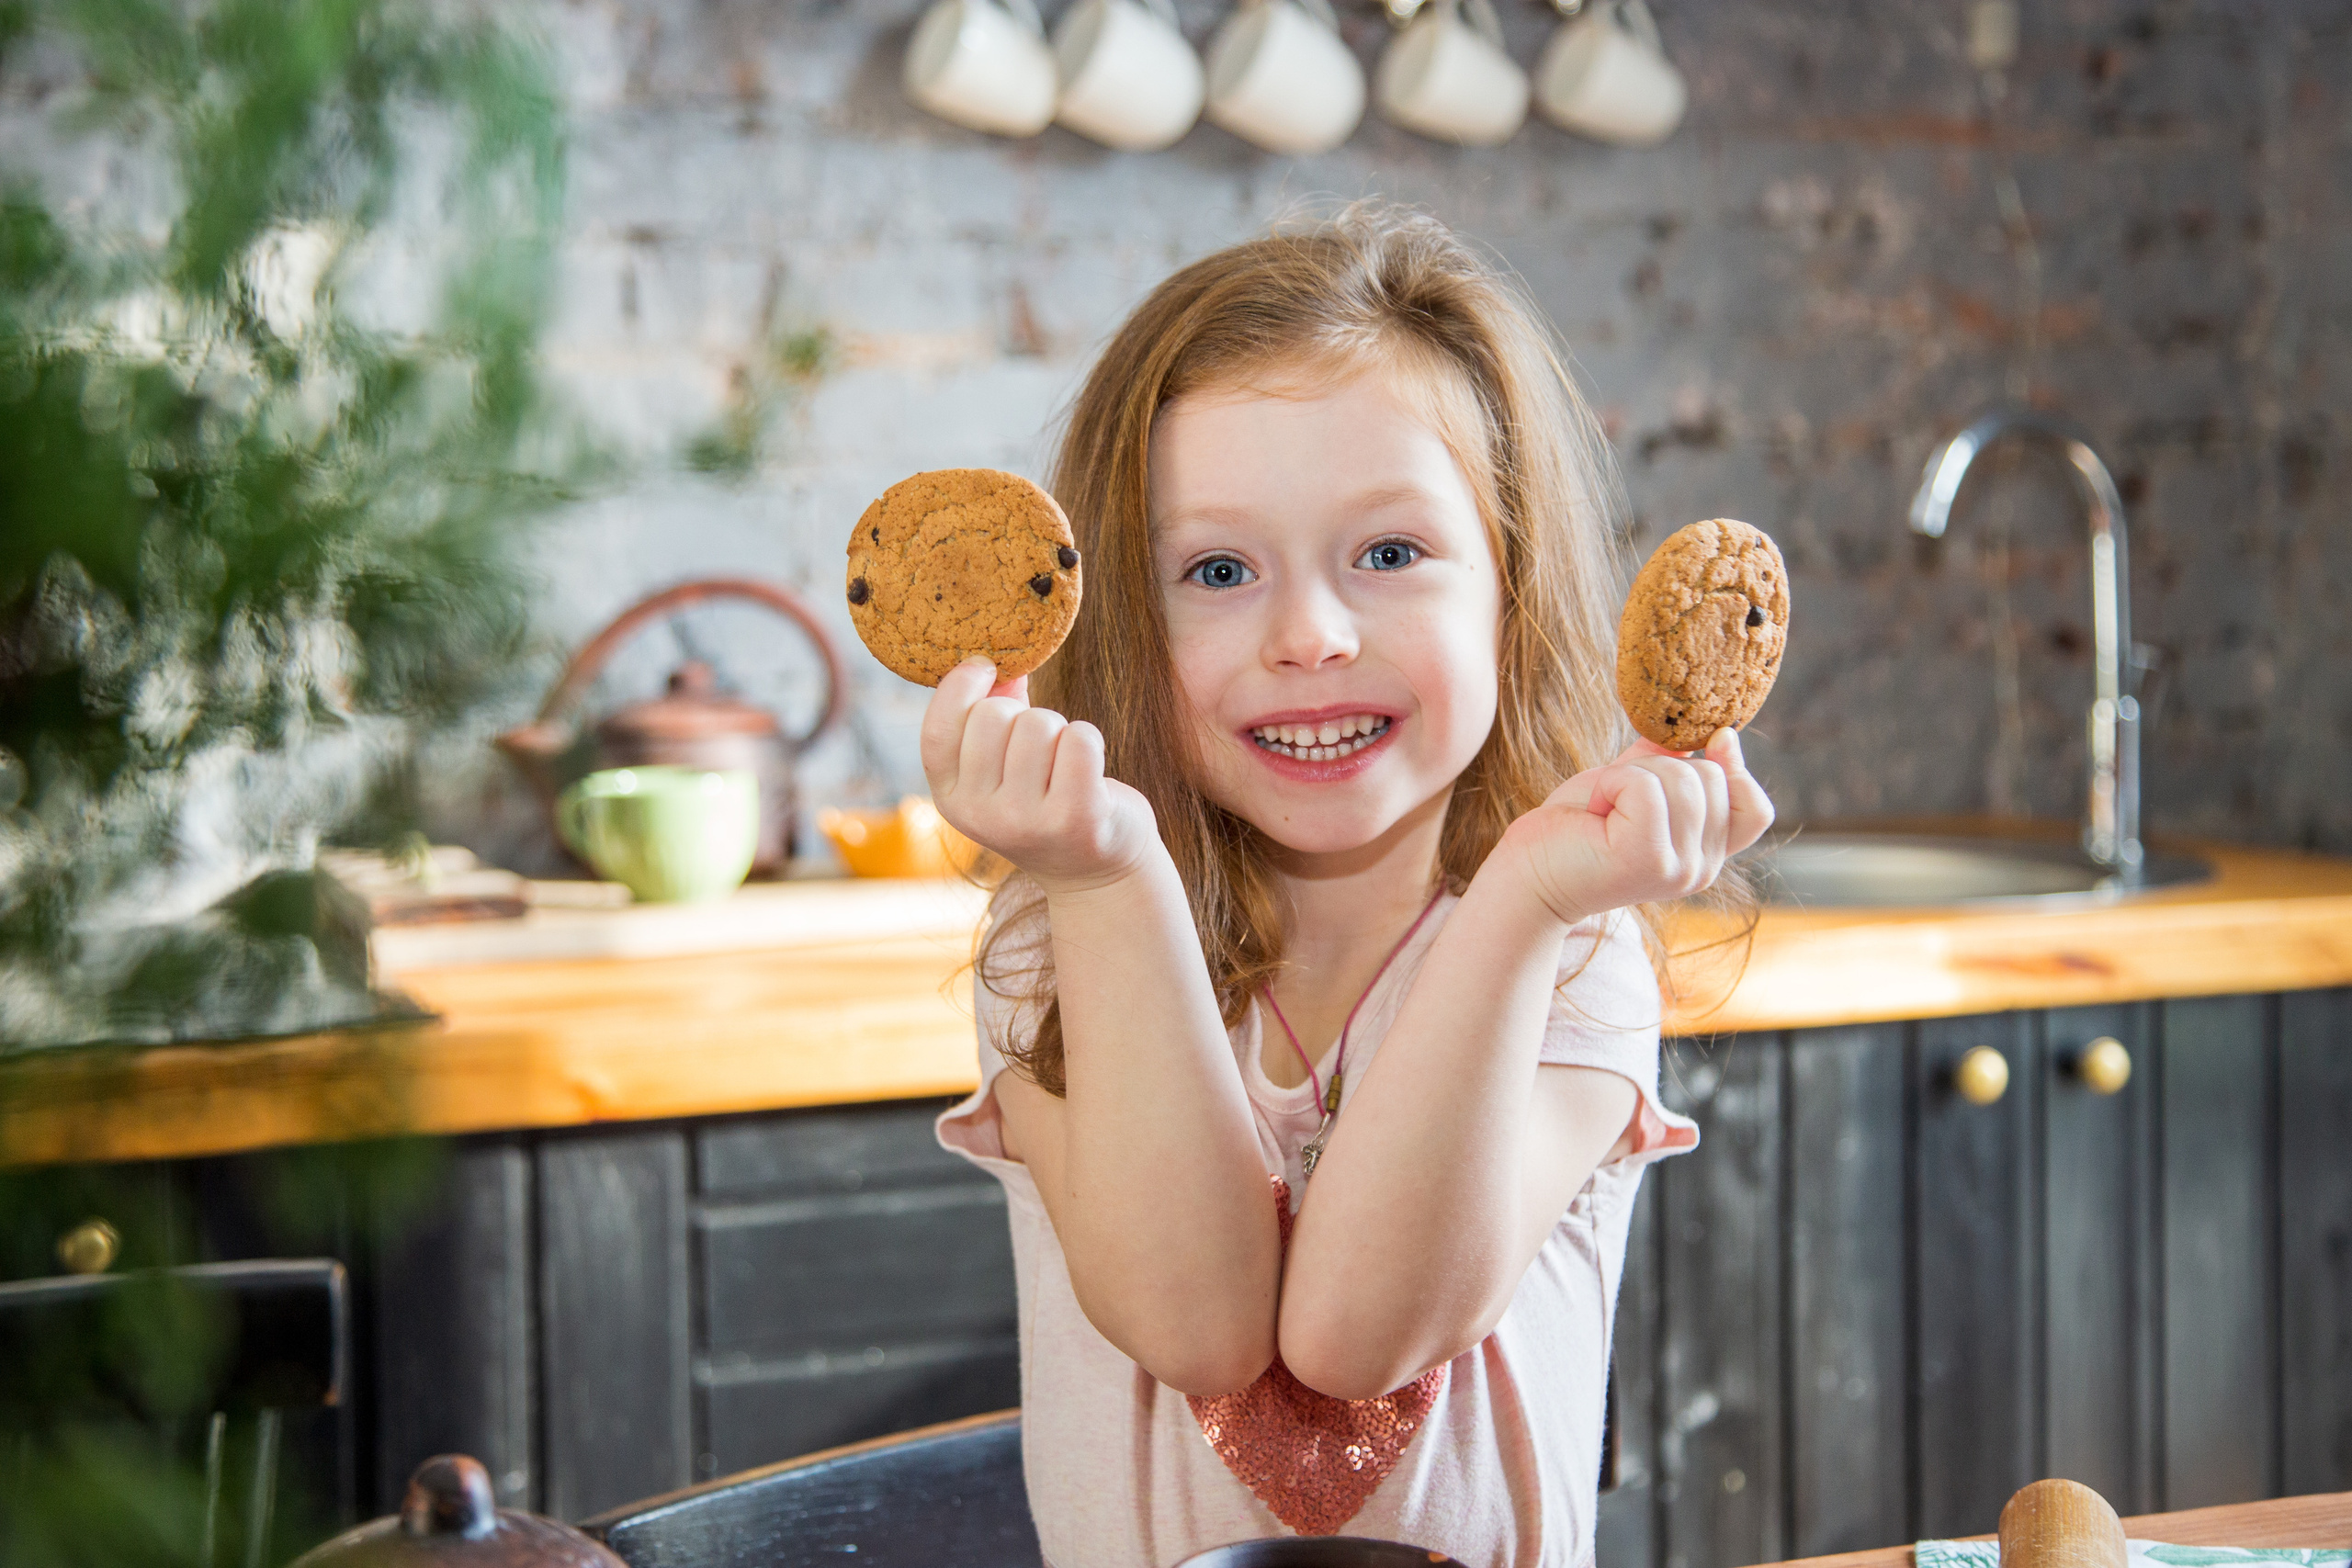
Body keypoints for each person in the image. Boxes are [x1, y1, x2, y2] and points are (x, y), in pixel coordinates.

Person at [932, 205, 1774, 1568]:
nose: (1309, 637)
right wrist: (1108, 882)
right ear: (1122, 623)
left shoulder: (1569, 951)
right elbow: (1195, 1323)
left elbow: (1356, 1340)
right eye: (1216, 570)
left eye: (1389, 554)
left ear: (1513, 583)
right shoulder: (1062, 937)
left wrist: (1519, 905)